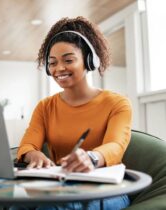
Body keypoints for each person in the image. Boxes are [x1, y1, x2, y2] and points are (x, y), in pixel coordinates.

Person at [14, 16, 132, 210]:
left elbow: (116, 145)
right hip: (60, 186)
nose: (59, 68)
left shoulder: (117, 103)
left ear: (89, 60)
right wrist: (33, 155)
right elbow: (27, 144)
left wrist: (92, 158)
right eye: (52, 62)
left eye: (68, 60)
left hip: (108, 190)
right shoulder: (45, 106)